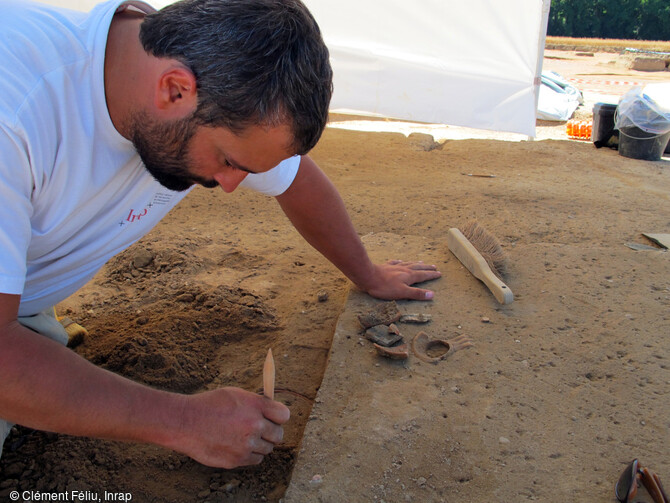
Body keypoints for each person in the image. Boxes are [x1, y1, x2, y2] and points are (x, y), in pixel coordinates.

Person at [0, 0, 441, 469]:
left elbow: (295, 179)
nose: (231, 185)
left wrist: (367, 272)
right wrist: (184, 421)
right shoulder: (16, 116)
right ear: (173, 91)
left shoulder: (186, 77)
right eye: (229, 161)